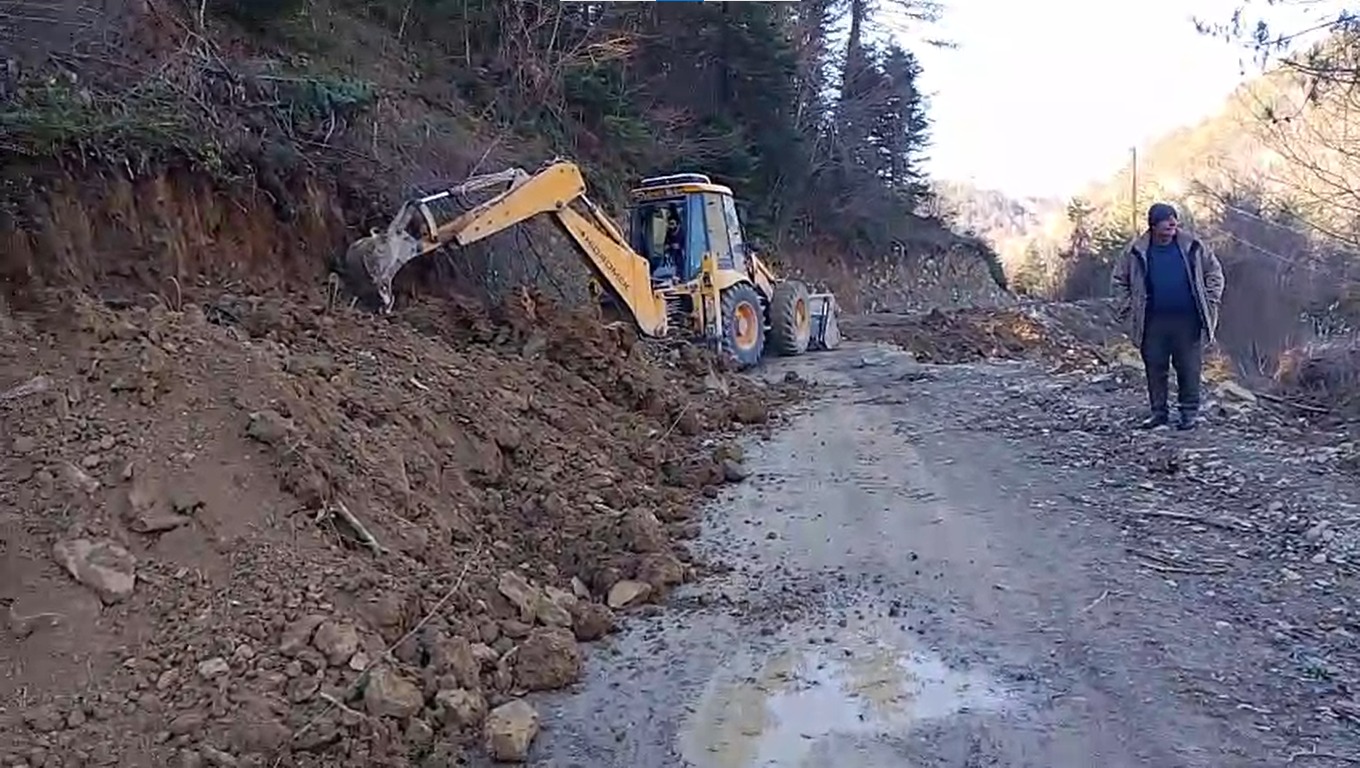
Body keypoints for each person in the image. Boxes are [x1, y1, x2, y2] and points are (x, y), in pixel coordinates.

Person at [1111, 203, 1225, 431]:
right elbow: (1119, 281)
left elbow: (1214, 272)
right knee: (1155, 368)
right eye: (1166, 220)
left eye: (1174, 220)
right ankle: (1158, 413)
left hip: (1188, 319)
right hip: (1151, 321)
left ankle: (1188, 413)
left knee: (1189, 368)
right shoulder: (1135, 251)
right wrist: (1127, 308)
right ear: (1153, 225)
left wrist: (1210, 299)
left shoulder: (1193, 246)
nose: (1172, 224)